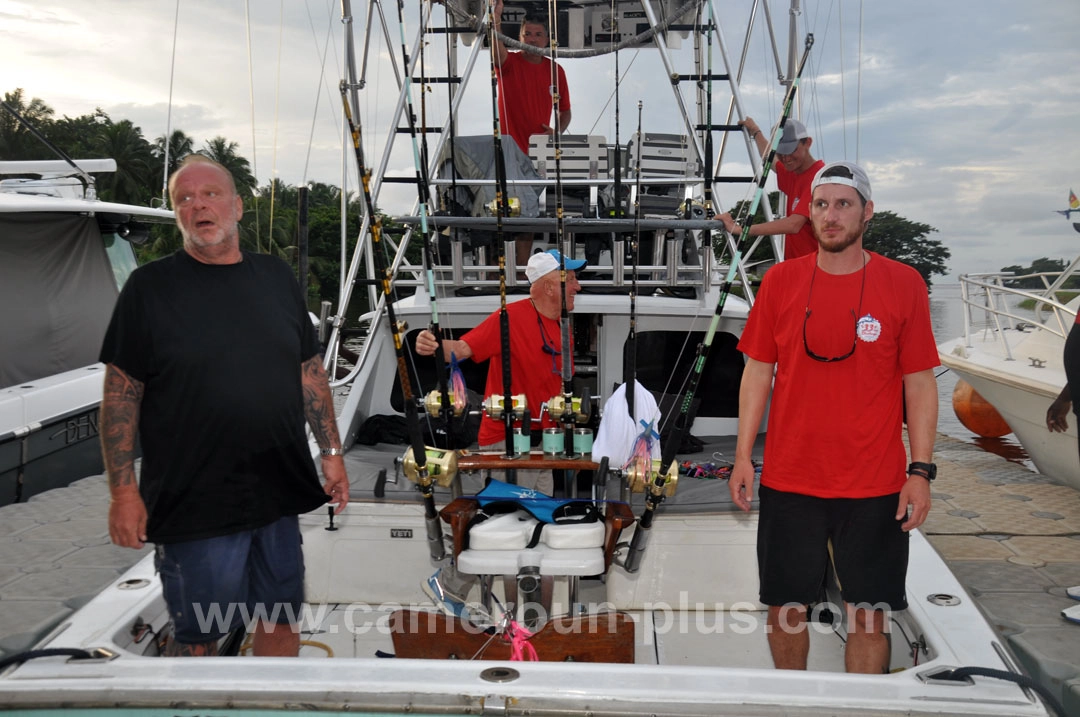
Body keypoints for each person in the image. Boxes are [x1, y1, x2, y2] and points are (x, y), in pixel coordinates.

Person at [99, 155, 349, 658]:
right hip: (195, 501)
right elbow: (120, 395)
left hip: (277, 491)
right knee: (200, 638)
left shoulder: (275, 277)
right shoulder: (149, 289)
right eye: (184, 199)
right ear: (177, 216)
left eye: (209, 194)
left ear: (236, 206)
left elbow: (309, 372)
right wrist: (123, 493)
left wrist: (332, 451)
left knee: (280, 620)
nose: (198, 206)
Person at [728, 161, 939, 674]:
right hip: (790, 477)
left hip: (874, 484)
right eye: (821, 205)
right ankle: (792, 704)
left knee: (868, 617)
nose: (830, 215)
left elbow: (919, 382)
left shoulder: (903, 283)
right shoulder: (780, 282)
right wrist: (740, 459)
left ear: (868, 213)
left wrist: (922, 472)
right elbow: (757, 374)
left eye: (843, 204)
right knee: (785, 612)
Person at [415, 248, 584, 496]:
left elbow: (559, 386)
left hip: (545, 442)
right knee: (508, 518)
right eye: (570, 279)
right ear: (549, 287)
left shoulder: (564, 326)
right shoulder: (508, 317)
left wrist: (566, 437)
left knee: (540, 514)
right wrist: (429, 344)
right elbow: (461, 349)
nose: (577, 287)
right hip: (507, 440)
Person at [492, 0, 572, 271]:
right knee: (511, 212)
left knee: (530, 216)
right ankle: (507, 269)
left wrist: (556, 132)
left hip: (540, 153)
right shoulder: (509, 62)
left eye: (538, 34)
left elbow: (565, 112)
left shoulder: (555, 69)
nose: (533, 39)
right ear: (519, 37)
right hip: (509, 149)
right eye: (528, 34)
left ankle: (523, 268)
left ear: (547, 39)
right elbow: (496, 53)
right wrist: (496, 18)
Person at [717, 118, 824, 260]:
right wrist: (755, 131)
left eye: (791, 150)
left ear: (807, 143)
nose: (786, 158)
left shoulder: (820, 178)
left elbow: (794, 224)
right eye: (780, 152)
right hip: (797, 266)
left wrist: (741, 229)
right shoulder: (793, 172)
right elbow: (770, 159)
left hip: (818, 267)